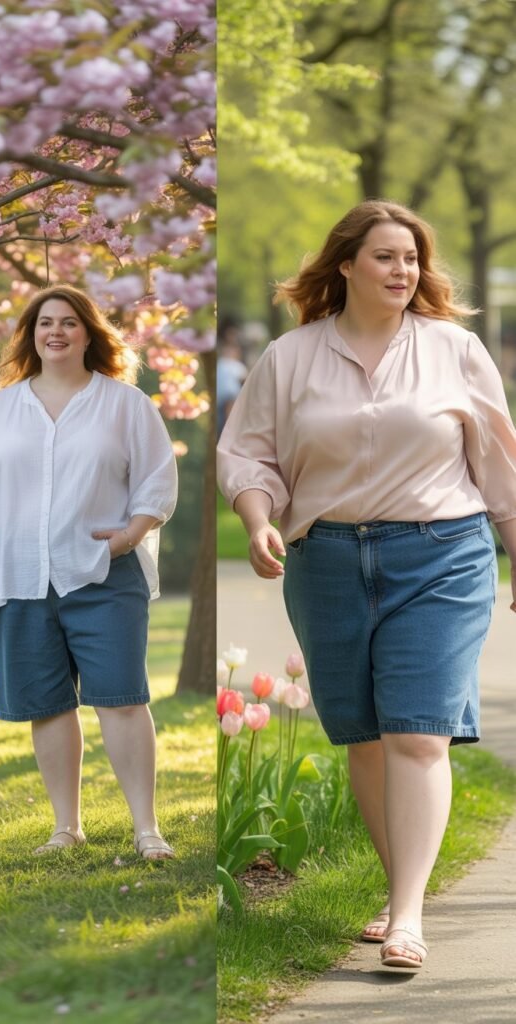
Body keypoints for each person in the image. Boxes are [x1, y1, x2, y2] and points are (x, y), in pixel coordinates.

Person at [217, 199, 516, 969]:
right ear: (345, 264)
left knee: (416, 732)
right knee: (364, 738)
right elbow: (249, 455)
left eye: (412, 258)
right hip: (327, 562)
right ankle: (399, 892)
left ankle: (409, 917)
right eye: (386, 257)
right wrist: (257, 521)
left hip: (441, 553)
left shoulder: (455, 348)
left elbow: (499, 467)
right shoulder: (290, 357)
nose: (403, 270)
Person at [0, 284, 178, 860]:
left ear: (89, 333)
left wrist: (132, 534)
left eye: (70, 322)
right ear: (30, 335)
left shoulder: (126, 404)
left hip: (103, 571)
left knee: (122, 698)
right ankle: (66, 827)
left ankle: (147, 828)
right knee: (46, 706)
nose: (56, 331)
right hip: (16, 575)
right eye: (45, 322)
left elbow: (157, 482)